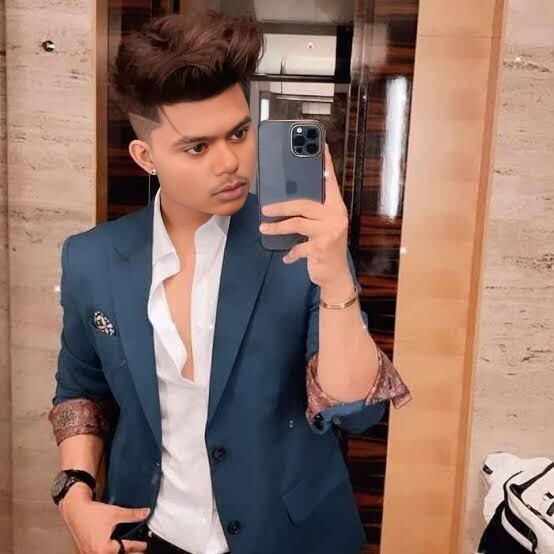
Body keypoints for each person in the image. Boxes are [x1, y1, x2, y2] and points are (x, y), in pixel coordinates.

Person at [48, 11, 411, 554]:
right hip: (152, 531)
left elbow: (356, 411)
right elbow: (81, 389)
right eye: (197, 147)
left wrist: (336, 276)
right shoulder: (91, 259)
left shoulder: (300, 243)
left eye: (239, 133)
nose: (230, 163)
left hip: (289, 535)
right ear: (146, 157)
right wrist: (74, 496)